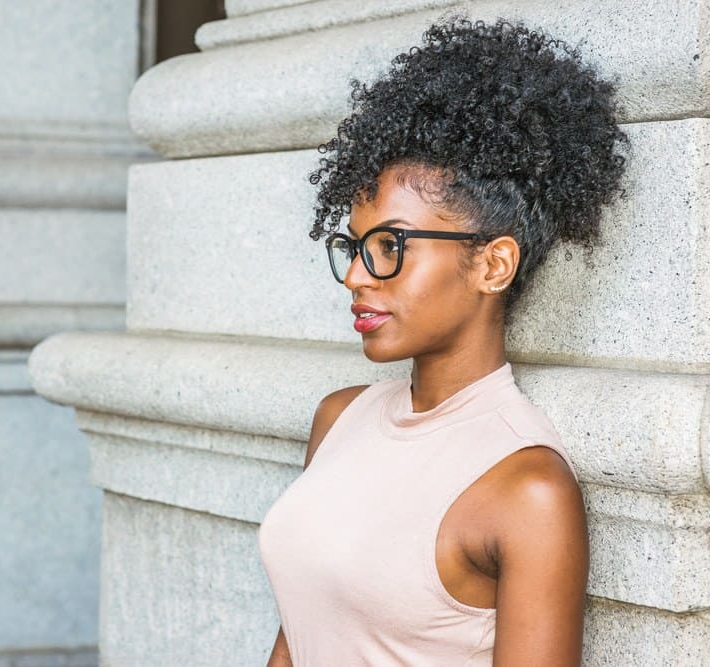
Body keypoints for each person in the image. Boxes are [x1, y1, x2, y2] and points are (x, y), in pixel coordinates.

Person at [257, 17, 628, 667]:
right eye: (353, 245)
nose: (353, 275)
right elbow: (298, 635)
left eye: (388, 247)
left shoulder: (528, 488)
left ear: (492, 264)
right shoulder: (340, 418)